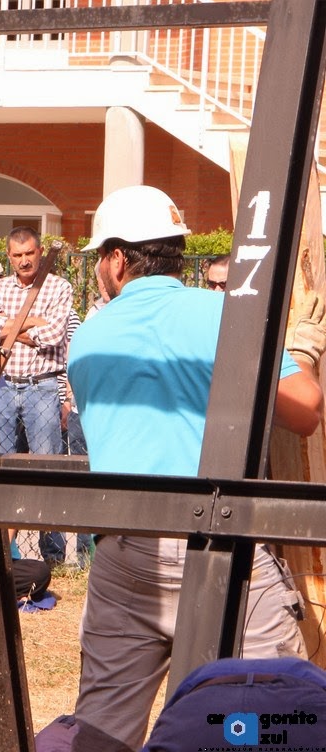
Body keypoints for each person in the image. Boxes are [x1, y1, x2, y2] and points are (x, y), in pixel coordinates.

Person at [66, 184, 326, 751]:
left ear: (117, 259)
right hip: (220, 548)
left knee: (102, 731)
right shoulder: (220, 316)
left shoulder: (88, 339)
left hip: (123, 554)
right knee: (278, 716)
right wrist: (301, 352)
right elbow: (305, 410)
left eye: (99, 259)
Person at [0, 227, 74, 562]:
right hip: (3, 384)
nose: (24, 261)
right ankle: (4, 550)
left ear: (40, 252)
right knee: (1, 468)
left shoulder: (59, 287)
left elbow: (54, 334)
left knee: (47, 470)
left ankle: (53, 553)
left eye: (30, 254)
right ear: (9, 257)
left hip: (42, 387)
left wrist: (10, 327)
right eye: (17, 255)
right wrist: (31, 321)